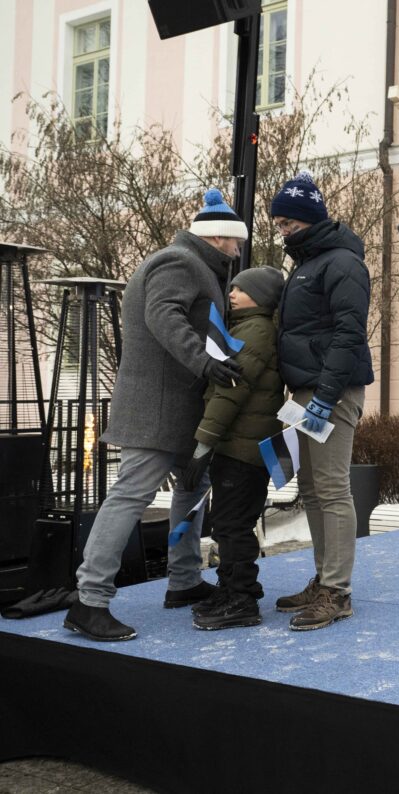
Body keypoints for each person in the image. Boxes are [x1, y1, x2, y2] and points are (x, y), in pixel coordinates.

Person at [64, 189, 246, 641]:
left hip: (181, 410)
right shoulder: (179, 262)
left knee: (192, 489)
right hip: (160, 410)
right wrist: (205, 364)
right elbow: (163, 316)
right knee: (130, 495)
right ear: (218, 238)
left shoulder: (197, 265)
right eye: (235, 242)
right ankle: (89, 600)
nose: (239, 250)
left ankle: (183, 581)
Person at [269, 170, 373, 631]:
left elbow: (349, 334)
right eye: (279, 223)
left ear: (310, 218)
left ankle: (338, 591)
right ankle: (323, 578)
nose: (283, 230)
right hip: (307, 391)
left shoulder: (342, 263)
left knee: (332, 489)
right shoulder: (307, 263)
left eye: (289, 222)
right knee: (310, 489)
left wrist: (325, 398)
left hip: (332, 391)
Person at [183, 266, 285, 630]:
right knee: (226, 524)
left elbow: (231, 390)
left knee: (234, 525)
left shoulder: (256, 332)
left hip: (243, 450)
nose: (231, 292)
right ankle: (231, 590)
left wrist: (203, 443)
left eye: (240, 288)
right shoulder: (244, 328)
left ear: (260, 296)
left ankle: (242, 599)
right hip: (238, 447)